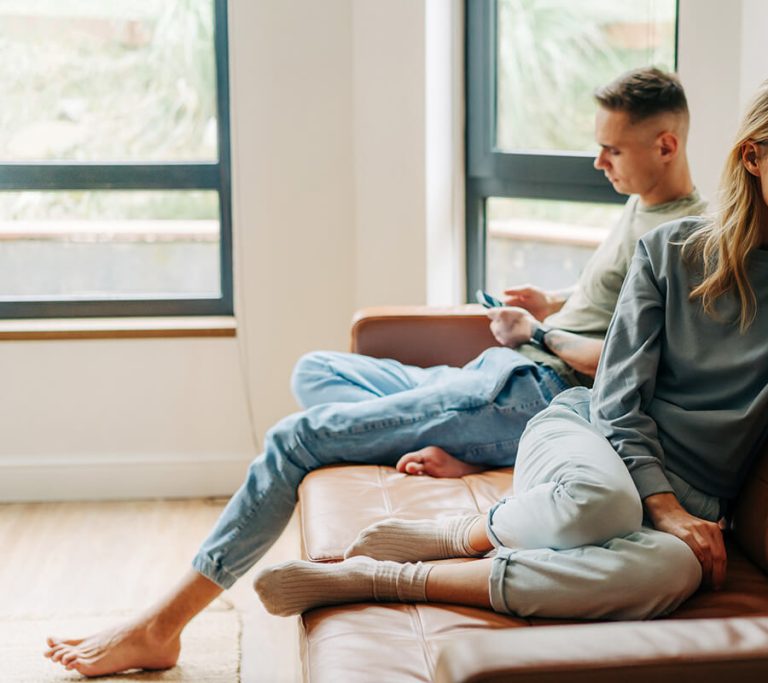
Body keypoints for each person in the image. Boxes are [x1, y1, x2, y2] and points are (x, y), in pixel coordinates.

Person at [43, 67, 707, 676]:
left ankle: (164, 623)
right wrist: (554, 302)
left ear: (666, 146)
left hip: (535, 392)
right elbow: (614, 305)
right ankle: (463, 442)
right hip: (503, 371)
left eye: (612, 150)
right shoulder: (641, 204)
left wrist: (541, 333)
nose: (599, 161)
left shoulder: (684, 239)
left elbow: (631, 365)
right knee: (317, 368)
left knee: (296, 438)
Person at [249, 66, 768, 622]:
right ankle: (473, 530)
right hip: (593, 440)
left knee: (676, 570)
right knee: (603, 504)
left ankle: (395, 578)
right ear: (753, 158)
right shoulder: (671, 251)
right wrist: (663, 506)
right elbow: (615, 400)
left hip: (692, 496)